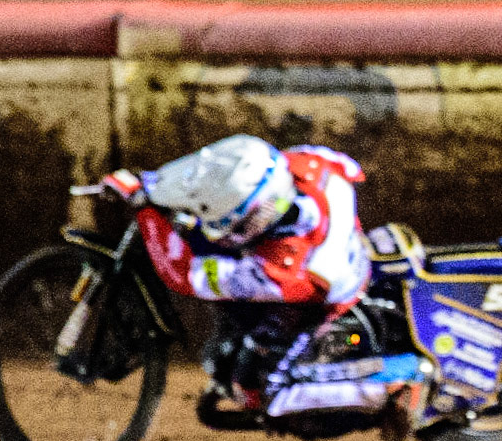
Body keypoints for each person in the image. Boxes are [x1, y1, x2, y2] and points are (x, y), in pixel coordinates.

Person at [99, 134, 376, 418]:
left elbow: (185, 275)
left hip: (316, 292)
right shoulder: (305, 163)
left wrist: (145, 208)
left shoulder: (280, 271)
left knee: (257, 390)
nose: (229, 234)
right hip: (335, 240)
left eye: (240, 226)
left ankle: (381, 391)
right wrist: (150, 182)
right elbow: (207, 166)